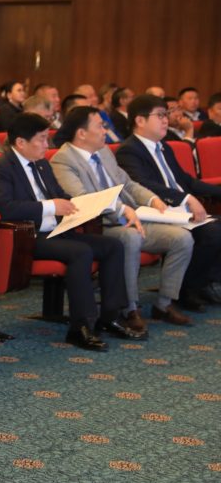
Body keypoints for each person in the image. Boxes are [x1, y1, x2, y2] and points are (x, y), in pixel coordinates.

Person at [0, 113, 135, 350]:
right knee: (80, 252)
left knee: (112, 246)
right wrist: (51, 206)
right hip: (28, 237)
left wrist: (83, 205)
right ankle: (80, 326)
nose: (47, 144)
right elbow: (4, 208)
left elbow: (60, 195)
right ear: (21, 142)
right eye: (42, 139)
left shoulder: (42, 163)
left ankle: (110, 317)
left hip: (58, 230)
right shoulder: (0, 168)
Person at [50, 106, 192, 331]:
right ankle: (129, 308)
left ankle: (165, 303)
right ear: (82, 133)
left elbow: (128, 184)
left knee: (182, 238)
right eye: (100, 126)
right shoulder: (63, 160)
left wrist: (153, 199)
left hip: (133, 218)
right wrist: (122, 209)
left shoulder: (104, 151)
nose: (105, 131)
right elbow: (83, 198)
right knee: (130, 237)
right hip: (100, 226)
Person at [115, 95, 221, 310]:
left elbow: (185, 180)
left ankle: (205, 282)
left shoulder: (163, 147)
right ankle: (187, 289)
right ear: (140, 120)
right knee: (212, 232)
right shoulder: (129, 150)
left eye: (167, 115)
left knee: (217, 226)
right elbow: (143, 185)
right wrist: (186, 198)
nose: (166, 120)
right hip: (157, 211)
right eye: (161, 115)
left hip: (179, 209)